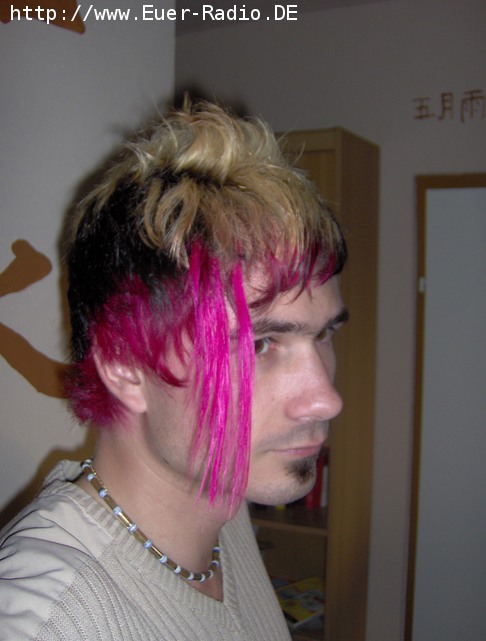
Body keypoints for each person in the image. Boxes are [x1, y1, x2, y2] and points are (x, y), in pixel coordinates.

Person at [0, 100, 348, 640]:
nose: (326, 398)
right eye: (259, 344)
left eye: (323, 333)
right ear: (124, 366)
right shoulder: (48, 618)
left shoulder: (222, 505)